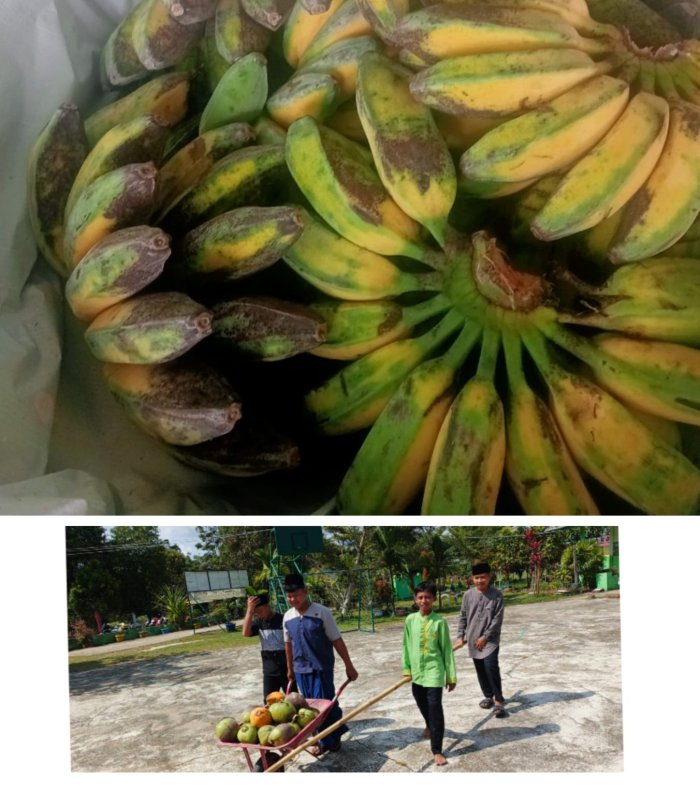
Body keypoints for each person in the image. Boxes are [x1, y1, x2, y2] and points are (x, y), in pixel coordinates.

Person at [282, 573, 359, 756]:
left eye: (296, 595)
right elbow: (288, 644)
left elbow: (336, 639)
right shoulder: (287, 617)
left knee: (323, 707)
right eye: (289, 596)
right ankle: (323, 739)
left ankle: (330, 741)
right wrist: (290, 669)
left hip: (321, 668)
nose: (293, 599)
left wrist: (349, 665)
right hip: (301, 671)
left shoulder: (321, 612)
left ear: (305, 591)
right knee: (308, 709)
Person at [402, 581, 457, 766]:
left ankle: (437, 750)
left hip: (434, 670)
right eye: (420, 597)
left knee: (435, 707)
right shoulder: (410, 620)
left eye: (427, 597)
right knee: (420, 700)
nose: (423, 601)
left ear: (433, 599)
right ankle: (429, 724)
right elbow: (406, 645)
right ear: (415, 599)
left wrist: (451, 676)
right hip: (417, 671)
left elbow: (447, 650)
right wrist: (406, 668)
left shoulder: (439, 622)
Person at [453, 562, 506, 718]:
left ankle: (498, 700)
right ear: (472, 578)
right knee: (481, 670)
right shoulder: (467, 595)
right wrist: (460, 636)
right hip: (473, 640)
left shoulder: (497, 595)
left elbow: (497, 619)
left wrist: (485, 637)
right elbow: (463, 616)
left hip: (491, 640)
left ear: (489, 577)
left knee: (491, 667)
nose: (479, 581)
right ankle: (488, 696)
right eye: (476, 578)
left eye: (483, 577)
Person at [242, 593, 294, 702]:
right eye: (256, 613)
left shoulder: (283, 619)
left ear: (268, 606)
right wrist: (249, 611)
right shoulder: (259, 623)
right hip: (269, 671)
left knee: (293, 700)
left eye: (260, 611)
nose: (259, 615)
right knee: (268, 702)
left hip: (287, 670)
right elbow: (245, 633)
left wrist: (291, 669)